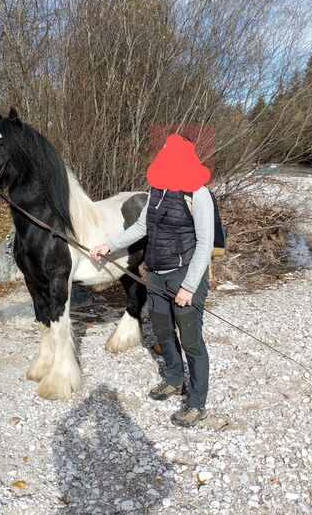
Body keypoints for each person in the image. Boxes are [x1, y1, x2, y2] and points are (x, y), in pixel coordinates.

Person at [90, 136, 214, 428]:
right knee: (162, 331)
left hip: (184, 276)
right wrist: (109, 245)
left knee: (192, 341)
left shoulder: (198, 193)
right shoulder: (157, 189)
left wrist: (189, 287)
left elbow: (205, 243)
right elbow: (142, 227)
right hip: (156, 274)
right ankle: (173, 379)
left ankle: (196, 403)